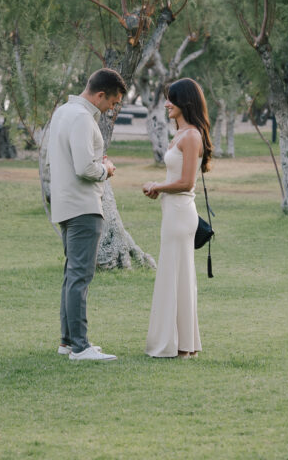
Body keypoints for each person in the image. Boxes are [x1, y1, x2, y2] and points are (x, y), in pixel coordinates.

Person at [48, 68, 127, 362]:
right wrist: (106, 168)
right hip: (83, 206)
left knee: (72, 274)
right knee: (80, 276)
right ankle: (80, 346)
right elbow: (84, 169)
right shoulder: (82, 117)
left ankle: (67, 341)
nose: (112, 108)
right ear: (100, 95)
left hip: (65, 203)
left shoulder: (62, 113)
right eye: (113, 102)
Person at [142, 77, 213, 358]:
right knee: (173, 274)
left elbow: (187, 182)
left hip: (181, 213)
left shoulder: (193, 135)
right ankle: (181, 343)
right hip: (171, 212)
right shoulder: (180, 135)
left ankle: (179, 345)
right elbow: (176, 177)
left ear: (185, 102)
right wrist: (160, 187)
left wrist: (158, 186)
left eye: (171, 99)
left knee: (177, 275)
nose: (167, 104)